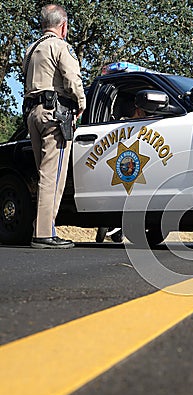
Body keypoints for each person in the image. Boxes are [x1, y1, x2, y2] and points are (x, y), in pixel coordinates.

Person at [23, 4, 86, 249]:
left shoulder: (31, 50)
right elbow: (71, 79)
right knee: (54, 177)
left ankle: (40, 228)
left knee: (44, 175)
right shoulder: (60, 46)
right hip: (54, 115)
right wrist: (81, 102)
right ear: (64, 25)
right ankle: (44, 233)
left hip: (33, 114)